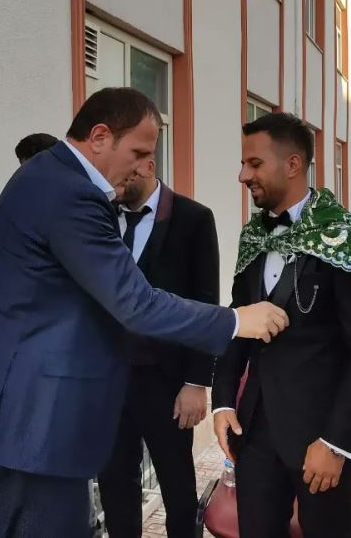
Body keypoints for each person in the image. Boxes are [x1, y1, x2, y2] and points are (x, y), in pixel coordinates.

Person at [0, 88, 289, 538]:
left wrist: (195, 378)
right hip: (31, 425)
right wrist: (238, 320)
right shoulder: (72, 194)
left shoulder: (48, 176)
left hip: (27, 414)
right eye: (139, 152)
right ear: (100, 137)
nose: (144, 165)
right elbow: (135, 303)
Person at [212, 113, 351, 538]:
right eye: (243, 163)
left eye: (254, 164)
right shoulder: (254, 237)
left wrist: (336, 442)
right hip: (255, 437)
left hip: (321, 440)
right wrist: (223, 402)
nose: (243, 175)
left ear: (292, 164)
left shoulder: (346, 237)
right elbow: (239, 320)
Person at [98, 158, 221, 537]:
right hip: (107, 379)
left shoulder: (194, 218)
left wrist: (197, 382)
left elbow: (205, 303)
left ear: (148, 166)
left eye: (122, 173)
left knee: (177, 486)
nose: (114, 181)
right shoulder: (101, 215)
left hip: (167, 382)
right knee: (115, 482)